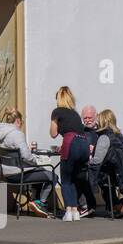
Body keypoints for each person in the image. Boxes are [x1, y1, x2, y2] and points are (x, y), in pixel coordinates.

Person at [0, 108, 55, 215]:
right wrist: (37, 160)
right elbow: (27, 157)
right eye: (21, 122)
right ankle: (41, 203)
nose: (21, 124)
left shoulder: (1, 135)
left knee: (40, 171)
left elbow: (16, 152)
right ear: (17, 120)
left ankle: (35, 202)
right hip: (19, 174)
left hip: (7, 174)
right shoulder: (17, 134)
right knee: (52, 176)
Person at [51, 86, 94, 220]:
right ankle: (75, 211)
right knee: (75, 179)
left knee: (66, 180)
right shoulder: (75, 114)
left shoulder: (57, 111)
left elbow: (53, 133)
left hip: (70, 142)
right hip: (83, 144)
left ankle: (68, 211)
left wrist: (55, 122)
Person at [91, 109, 123, 215]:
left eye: (98, 120)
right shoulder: (119, 136)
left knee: (90, 172)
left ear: (104, 121)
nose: (96, 123)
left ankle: (112, 206)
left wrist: (88, 160)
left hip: (108, 175)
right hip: (121, 173)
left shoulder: (104, 137)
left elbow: (97, 160)